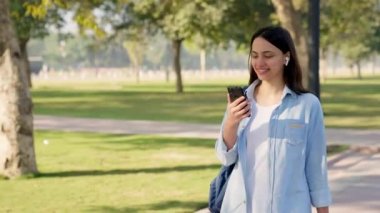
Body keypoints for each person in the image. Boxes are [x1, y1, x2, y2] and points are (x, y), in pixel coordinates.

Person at [215, 26, 332, 213]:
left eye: (268, 55)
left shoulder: (308, 105)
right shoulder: (242, 101)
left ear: (286, 57)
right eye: (254, 55)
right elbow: (225, 157)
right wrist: (231, 122)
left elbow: (316, 168)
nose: (259, 62)